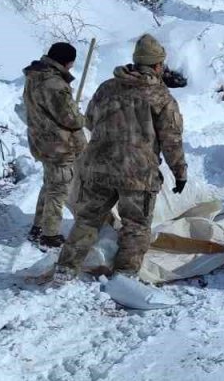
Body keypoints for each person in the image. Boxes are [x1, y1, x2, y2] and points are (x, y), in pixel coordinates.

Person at [54, 34, 188, 280]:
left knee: (87, 220)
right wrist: (180, 172)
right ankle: (124, 277)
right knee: (135, 226)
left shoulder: (107, 87)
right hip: (138, 175)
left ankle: (65, 268)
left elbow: (91, 121)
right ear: (158, 66)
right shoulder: (161, 97)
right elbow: (172, 140)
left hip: (98, 169)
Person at [22, 42, 86, 248]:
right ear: (67, 62)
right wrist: (81, 116)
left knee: (50, 184)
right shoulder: (55, 84)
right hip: (58, 145)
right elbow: (71, 119)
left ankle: (38, 226)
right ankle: (50, 235)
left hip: (41, 140)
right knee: (58, 189)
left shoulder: (34, 76)